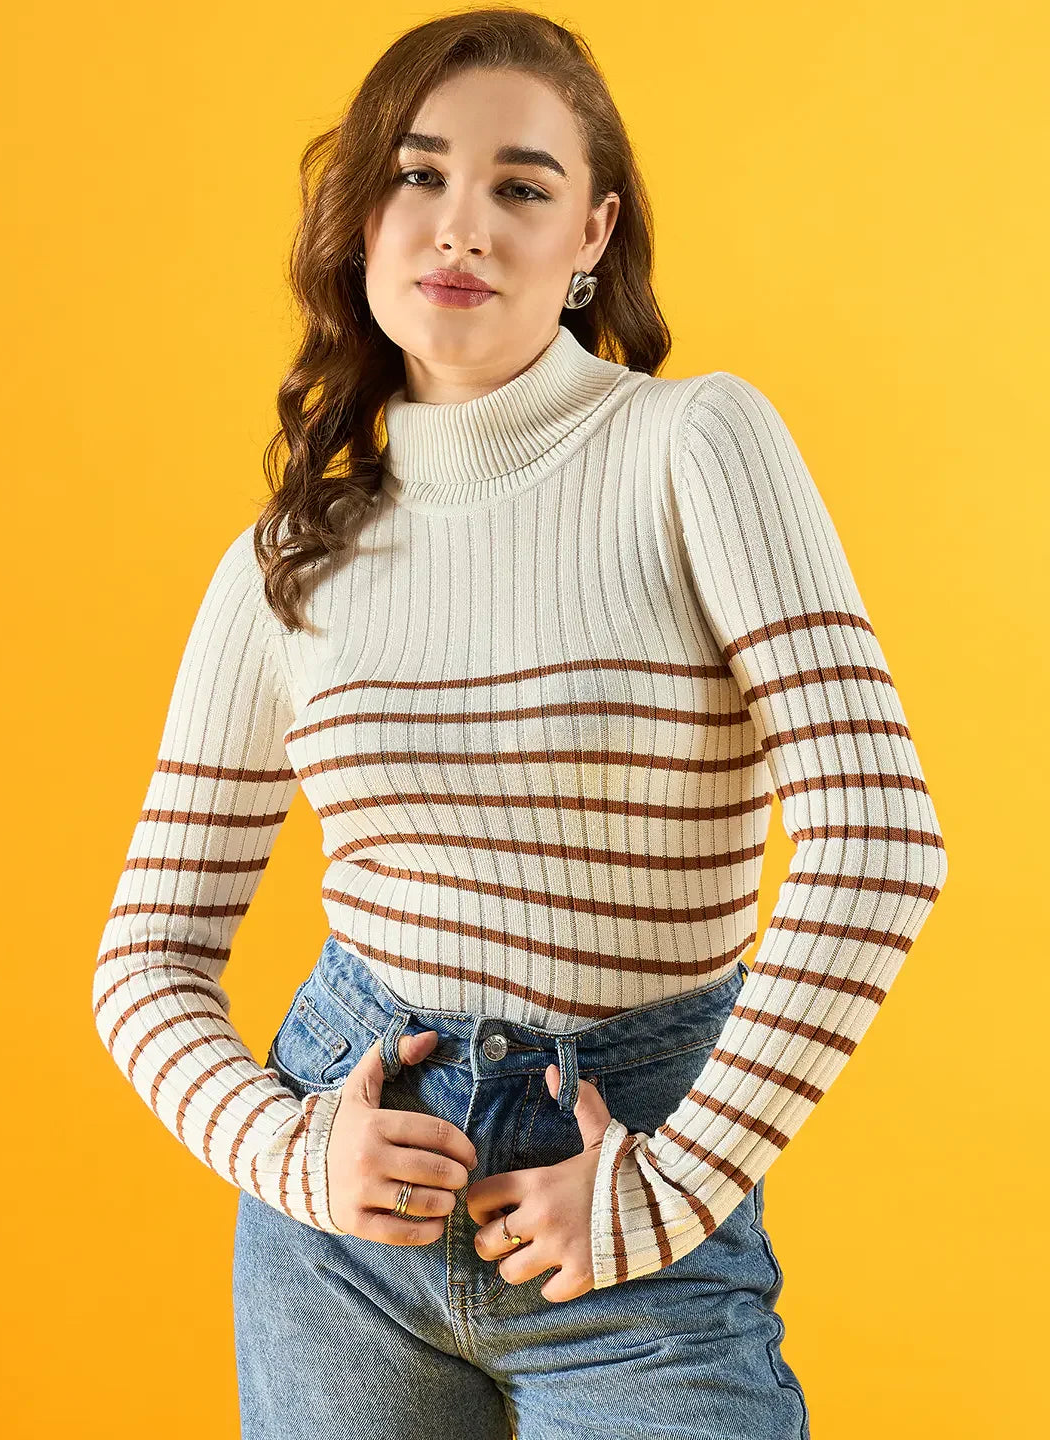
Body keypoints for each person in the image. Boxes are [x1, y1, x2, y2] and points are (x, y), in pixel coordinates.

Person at [92, 9, 948, 1438]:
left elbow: (881, 840)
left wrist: (680, 1185)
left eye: (521, 187)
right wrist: (290, 1152)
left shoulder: (693, 447)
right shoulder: (286, 558)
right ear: (358, 217)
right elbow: (144, 957)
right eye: (417, 177)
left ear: (593, 233)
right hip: (340, 1240)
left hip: (634, 1196)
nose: (461, 226)